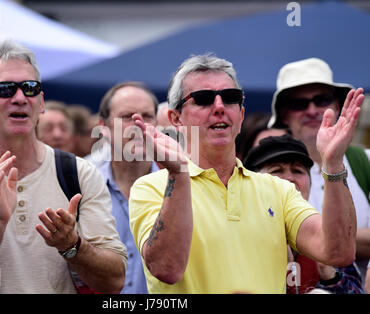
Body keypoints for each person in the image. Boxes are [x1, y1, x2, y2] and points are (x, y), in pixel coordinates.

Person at [129, 53, 362, 293]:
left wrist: (332, 163)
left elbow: (338, 252)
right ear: (175, 119)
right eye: (203, 99)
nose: (219, 107)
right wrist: (178, 174)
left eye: (230, 98)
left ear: (240, 116)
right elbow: (167, 269)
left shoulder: (277, 189)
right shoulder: (150, 187)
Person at [0, 40, 126, 294]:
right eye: (6, 89)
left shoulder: (79, 173)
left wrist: (72, 245)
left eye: (30, 88)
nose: (20, 98)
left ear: (41, 102)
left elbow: (114, 281)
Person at [268, 57, 370, 284]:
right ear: (284, 114)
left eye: (321, 100)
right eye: (298, 104)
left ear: (336, 104)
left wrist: (313, 237)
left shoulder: (366, 161)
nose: (312, 110)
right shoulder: (265, 173)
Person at [244, 134, 364, 294]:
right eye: (276, 170)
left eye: (297, 171)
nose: (289, 178)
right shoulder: (236, 234)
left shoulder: (328, 237)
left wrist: (329, 274)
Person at [97, 81, 160, 294]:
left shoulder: (178, 189)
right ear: (103, 127)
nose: (138, 124)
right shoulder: (83, 187)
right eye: (126, 117)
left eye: (147, 116)